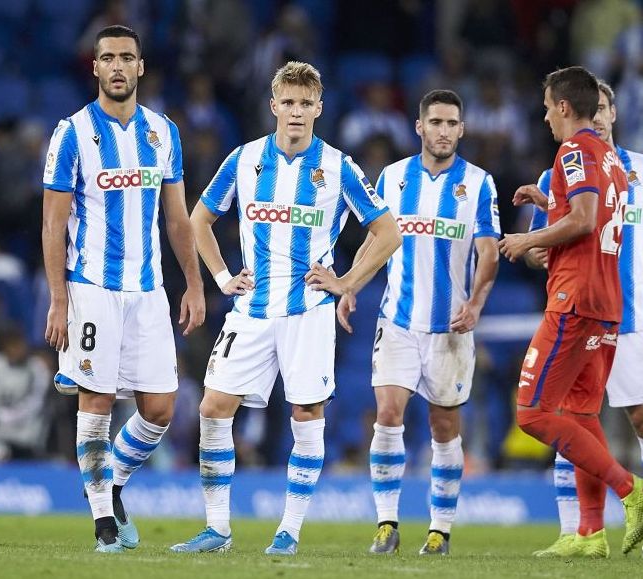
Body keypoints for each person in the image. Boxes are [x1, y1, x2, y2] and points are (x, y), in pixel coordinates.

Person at [170, 61, 400, 556]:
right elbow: (199, 219)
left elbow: (388, 232)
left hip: (308, 312)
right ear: (273, 106)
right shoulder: (245, 159)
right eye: (288, 103)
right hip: (251, 309)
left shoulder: (338, 167)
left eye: (305, 103)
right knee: (213, 408)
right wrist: (221, 277)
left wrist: (345, 283)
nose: (296, 112)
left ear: (320, 108)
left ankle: (289, 532)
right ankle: (218, 529)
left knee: (305, 412)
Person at [42, 25, 205, 553]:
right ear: (94, 67)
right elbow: (53, 226)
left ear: (140, 67)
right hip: (92, 288)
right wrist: (59, 299)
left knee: (160, 408)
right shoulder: (71, 134)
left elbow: (178, 220)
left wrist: (194, 285)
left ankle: (109, 486)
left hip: (149, 289)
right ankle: (102, 524)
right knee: (98, 400)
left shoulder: (163, 132)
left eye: (126, 57)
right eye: (106, 57)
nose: (116, 66)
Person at [338, 89, 501, 556]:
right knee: (387, 416)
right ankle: (386, 524)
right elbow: (377, 240)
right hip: (398, 320)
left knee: (443, 427)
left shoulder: (479, 183)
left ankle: (439, 529)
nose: (444, 131)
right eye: (436, 122)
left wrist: (476, 303)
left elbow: (488, 252)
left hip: (450, 328)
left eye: (452, 123)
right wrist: (349, 285)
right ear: (419, 127)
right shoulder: (392, 177)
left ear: (462, 130)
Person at [499, 65, 643, 557]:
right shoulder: (613, 161)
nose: (544, 118)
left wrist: (527, 236)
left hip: (575, 299)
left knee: (532, 412)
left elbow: (583, 221)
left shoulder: (575, 150)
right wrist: (549, 201)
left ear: (563, 106)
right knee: (581, 414)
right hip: (607, 302)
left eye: (546, 108)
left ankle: (632, 490)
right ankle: (589, 534)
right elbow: (591, 215)